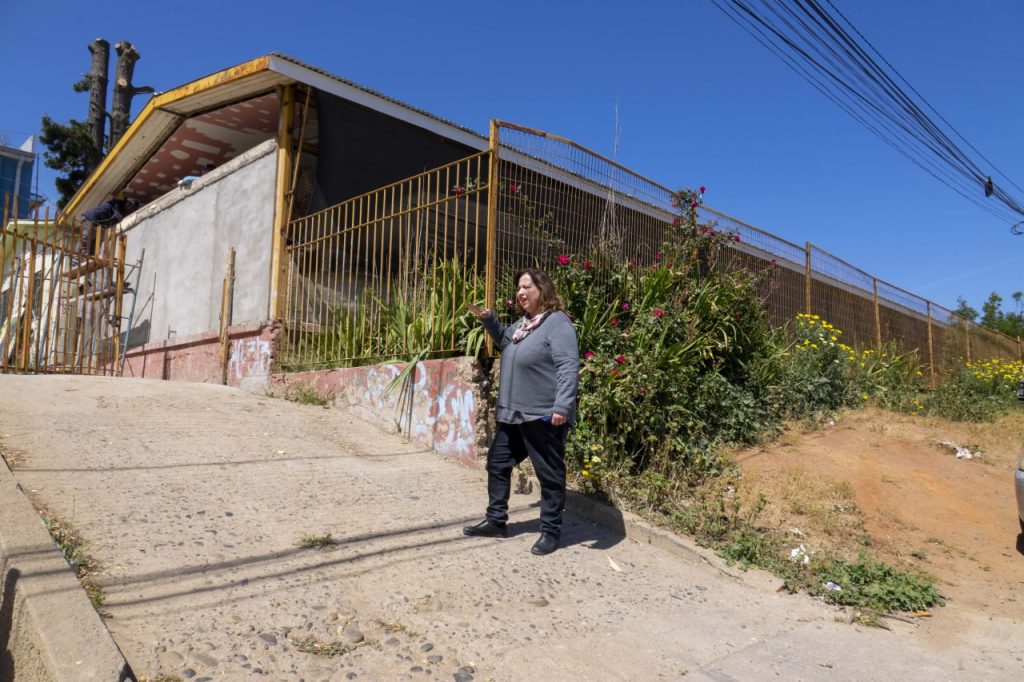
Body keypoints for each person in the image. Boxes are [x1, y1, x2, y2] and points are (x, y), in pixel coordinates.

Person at [464, 267, 579, 556]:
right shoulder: (523, 325)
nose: (520, 292)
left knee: (549, 473)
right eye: (518, 288)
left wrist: (562, 406)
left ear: (543, 289)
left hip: (542, 414)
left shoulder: (556, 323)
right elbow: (506, 342)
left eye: (527, 286)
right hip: (514, 413)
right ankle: (496, 521)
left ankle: (551, 531)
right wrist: (489, 321)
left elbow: (568, 365)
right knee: (498, 463)